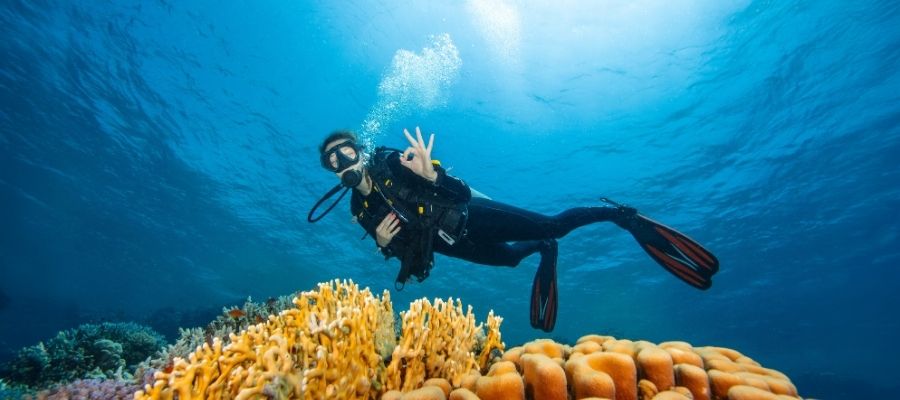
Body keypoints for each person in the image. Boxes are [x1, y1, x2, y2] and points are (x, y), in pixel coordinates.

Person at [309, 127, 719, 332]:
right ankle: (543, 249)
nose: (342, 162)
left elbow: (460, 193)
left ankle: (620, 216)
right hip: (454, 246)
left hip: (471, 216)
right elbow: (405, 256)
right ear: (331, 170)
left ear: (360, 150)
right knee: (510, 260)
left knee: (553, 225)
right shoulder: (359, 209)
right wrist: (384, 245)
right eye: (333, 161)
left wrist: (433, 177)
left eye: (346, 152)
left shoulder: (392, 163)